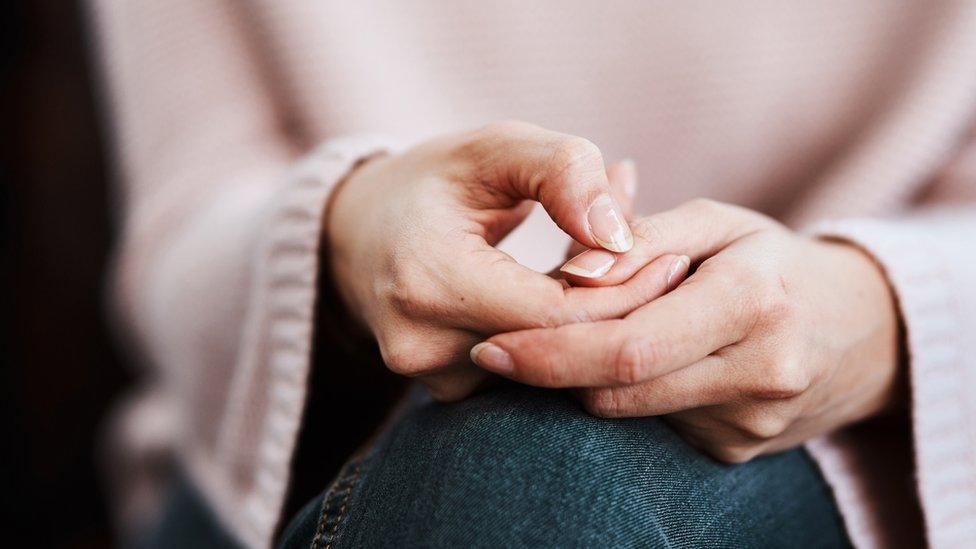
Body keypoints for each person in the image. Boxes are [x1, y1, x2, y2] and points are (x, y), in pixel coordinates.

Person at [89, 1, 976, 547]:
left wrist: (882, 312)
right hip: (286, 455)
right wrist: (349, 228)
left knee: (533, 459)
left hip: (885, 455)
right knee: (522, 457)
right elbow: (187, 210)